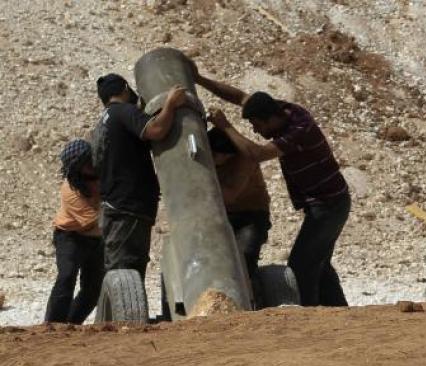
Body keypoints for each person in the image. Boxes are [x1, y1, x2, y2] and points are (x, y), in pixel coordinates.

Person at [194, 65, 350, 307]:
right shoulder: (283, 110)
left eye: (257, 125)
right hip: (325, 204)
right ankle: (339, 311)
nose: (256, 130)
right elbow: (239, 97)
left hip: (329, 205)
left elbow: (256, 153)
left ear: (270, 119)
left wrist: (226, 126)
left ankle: (308, 317)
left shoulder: (298, 130)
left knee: (301, 266)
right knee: (318, 263)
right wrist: (200, 80)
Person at [94, 73, 186, 280]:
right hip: (128, 206)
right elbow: (156, 130)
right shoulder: (123, 112)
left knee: (121, 271)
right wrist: (170, 103)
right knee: (126, 273)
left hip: (117, 205)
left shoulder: (104, 121)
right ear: (125, 89)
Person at [44, 140, 104, 324]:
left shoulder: (99, 173)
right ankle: (52, 326)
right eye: (87, 163)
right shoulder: (70, 190)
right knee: (66, 277)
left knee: (93, 290)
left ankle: (72, 324)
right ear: (78, 168)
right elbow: (92, 222)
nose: (92, 165)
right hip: (70, 236)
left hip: (96, 239)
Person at [207, 126, 271, 279]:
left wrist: (202, 178)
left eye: (224, 156)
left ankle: (252, 296)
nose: (219, 159)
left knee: (244, 259)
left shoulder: (245, 159)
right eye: (215, 154)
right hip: (223, 215)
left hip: (251, 216)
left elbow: (229, 195)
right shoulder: (207, 159)